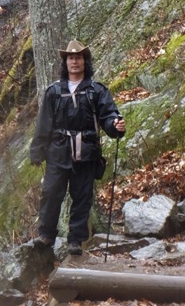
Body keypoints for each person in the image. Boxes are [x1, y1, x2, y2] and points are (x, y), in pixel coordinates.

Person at [29, 40, 125, 255]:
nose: (75, 61)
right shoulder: (54, 91)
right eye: (71, 58)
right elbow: (43, 124)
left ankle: (75, 240)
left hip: (87, 153)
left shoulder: (96, 90)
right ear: (66, 62)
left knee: (82, 197)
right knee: (51, 193)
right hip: (58, 153)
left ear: (85, 61)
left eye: (79, 57)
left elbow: (109, 116)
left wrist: (115, 125)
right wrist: (37, 152)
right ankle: (46, 235)